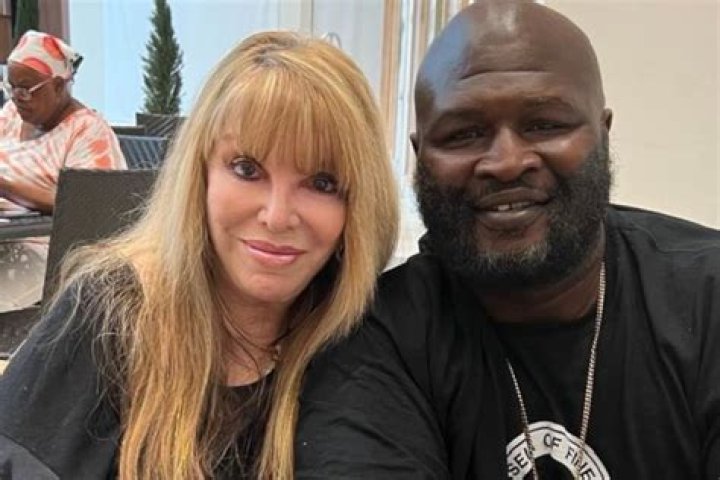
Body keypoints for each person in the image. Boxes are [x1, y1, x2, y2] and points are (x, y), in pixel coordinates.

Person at [295, 1, 720, 479]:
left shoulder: (706, 299)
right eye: (464, 134)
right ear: (421, 156)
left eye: (545, 125)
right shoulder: (375, 334)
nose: (507, 162)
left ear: (603, 134)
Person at [0, 31, 398, 478]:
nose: (277, 216)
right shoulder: (111, 314)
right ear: (200, 175)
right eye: (247, 169)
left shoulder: (368, 341)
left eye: (322, 183)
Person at [0, 30, 126, 312]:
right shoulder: (9, 116)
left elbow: (88, 208)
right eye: (11, 87)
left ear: (59, 85)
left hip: (48, 254)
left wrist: (5, 186)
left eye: (26, 88)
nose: (17, 97)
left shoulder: (87, 132)